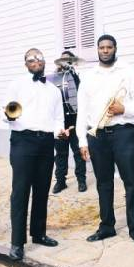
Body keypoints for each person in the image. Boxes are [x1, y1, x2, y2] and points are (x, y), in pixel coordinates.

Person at [76, 34, 134, 249]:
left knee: (132, 182)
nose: (106, 50)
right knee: (103, 183)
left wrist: (124, 109)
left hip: (124, 133)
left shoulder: (128, 72)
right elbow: (82, 111)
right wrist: (82, 140)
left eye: (109, 47)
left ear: (115, 48)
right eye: (102, 47)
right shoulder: (88, 76)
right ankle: (107, 226)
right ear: (98, 50)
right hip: (97, 136)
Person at [4, 48, 67, 261]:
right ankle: (17, 242)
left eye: (39, 58)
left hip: (46, 142)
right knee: (20, 191)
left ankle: (39, 234)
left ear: (44, 62)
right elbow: (6, 110)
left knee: (42, 189)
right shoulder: (16, 84)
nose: (36, 61)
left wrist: (60, 131)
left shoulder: (53, 90)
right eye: (31, 59)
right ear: (25, 63)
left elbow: (59, 117)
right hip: (23, 141)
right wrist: (10, 117)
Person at [48, 50, 87, 193]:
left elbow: (80, 91)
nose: (64, 62)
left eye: (67, 60)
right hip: (59, 121)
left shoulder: (76, 76)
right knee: (61, 153)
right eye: (62, 60)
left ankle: (81, 181)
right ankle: (60, 181)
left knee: (78, 152)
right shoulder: (52, 78)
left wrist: (72, 71)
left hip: (75, 119)